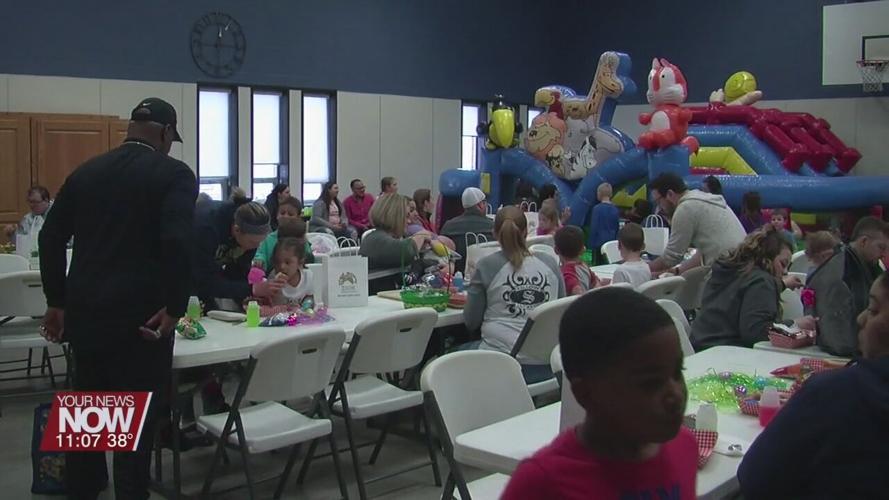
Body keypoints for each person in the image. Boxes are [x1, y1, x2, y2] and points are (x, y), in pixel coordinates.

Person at [38, 97, 196, 500]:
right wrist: (176, 306)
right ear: (166, 133)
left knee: (91, 416)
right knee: (135, 427)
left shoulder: (86, 171)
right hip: (142, 318)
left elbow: (50, 236)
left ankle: (84, 490)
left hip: (86, 314)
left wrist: (56, 301)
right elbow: (177, 241)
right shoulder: (174, 174)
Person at [502, 288, 696, 499]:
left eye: (677, 372)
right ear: (585, 393)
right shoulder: (542, 483)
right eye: (650, 383)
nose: (675, 394)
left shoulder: (684, 446)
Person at [738, 273, 889, 499]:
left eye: (874, 310)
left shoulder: (838, 393)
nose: (860, 318)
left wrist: (809, 408)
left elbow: (754, 478)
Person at [462, 206, 566, 383]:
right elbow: (561, 310)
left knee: (442, 358)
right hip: (549, 364)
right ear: (526, 232)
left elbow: (471, 321)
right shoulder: (550, 263)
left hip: (502, 363)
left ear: (494, 234)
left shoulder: (486, 266)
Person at [690, 226, 814, 351]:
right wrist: (794, 325)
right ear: (768, 257)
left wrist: (780, 285)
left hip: (700, 349)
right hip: (727, 351)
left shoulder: (730, 271)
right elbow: (756, 333)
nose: (785, 272)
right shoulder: (761, 281)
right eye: (782, 264)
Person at [806, 216, 889, 356]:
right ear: (864, 241)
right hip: (844, 354)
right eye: (881, 247)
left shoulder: (870, 267)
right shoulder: (840, 274)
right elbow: (839, 337)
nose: (883, 254)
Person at [647, 173, 746, 275]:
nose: (659, 208)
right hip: (743, 267)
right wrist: (677, 271)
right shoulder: (704, 200)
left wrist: (643, 269)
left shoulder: (685, 208)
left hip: (729, 272)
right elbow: (704, 252)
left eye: (658, 202)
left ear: (670, 194)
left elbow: (671, 257)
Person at [193, 200, 283, 311]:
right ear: (236, 230)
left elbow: (238, 275)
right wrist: (252, 289)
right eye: (253, 242)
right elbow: (205, 282)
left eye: (260, 242)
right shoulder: (206, 231)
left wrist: (250, 300)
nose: (256, 247)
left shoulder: (248, 238)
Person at [359, 193, 432, 270]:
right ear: (394, 216)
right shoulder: (376, 239)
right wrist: (421, 236)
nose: (409, 221)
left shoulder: (377, 237)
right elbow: (405, 252)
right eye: (406, 216)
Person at [252, 237, 314, 316]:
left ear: (300, 262)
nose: (282, 267)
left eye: (287, 262)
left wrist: (306, 307)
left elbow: (310, 298)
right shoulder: (273, 278)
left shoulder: (308, 276)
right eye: (277, 262)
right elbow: (272, 305)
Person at [440, 187, 495, 273]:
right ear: (480, 205)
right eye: (484, 202)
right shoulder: (493, 226)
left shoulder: (448, 226)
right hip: (485, 275)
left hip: (455, 275)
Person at [253, 198, 315, 273]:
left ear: (298, 218)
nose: (285, 216)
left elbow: (308, 257)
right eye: (282, 213)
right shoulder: (268, 239)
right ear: (277, 216)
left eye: (290, 214)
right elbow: (260, 254)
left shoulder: (300, 238)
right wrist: (260, 259)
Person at [554, 225, 599, 295]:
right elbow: (596, 283)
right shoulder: (584, 266)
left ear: (556, 250)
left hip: (576, 301)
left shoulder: (566, 272)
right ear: (583, 250)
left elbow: (576, 290)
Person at [612, 223, 652, 289]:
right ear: (643, 246)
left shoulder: (621, 271)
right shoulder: (646, 266)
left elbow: (615, 294)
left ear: (619, 245)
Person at [589, 183, 620, 264]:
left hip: (598, 242)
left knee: (598, 264)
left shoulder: (596, 209)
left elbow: (594, 227)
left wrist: (591, 243)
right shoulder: (615, 209)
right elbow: (617, 226)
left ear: (599, 193)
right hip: (611, 241)